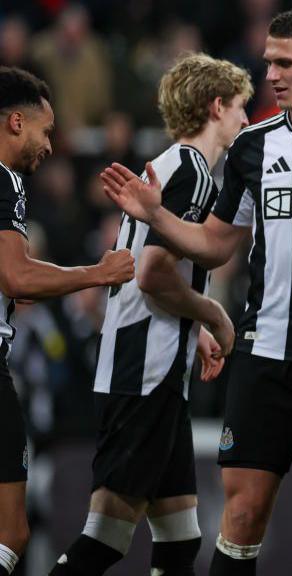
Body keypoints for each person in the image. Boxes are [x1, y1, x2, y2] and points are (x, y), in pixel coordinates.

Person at [100, 9, 292, 575]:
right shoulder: (253, 147)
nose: (270, 71)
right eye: (268, 59)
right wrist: (158, 217)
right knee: (243, 517)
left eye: (284, 61)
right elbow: (217, 244)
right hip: (266, 355)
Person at [51, 53, 252, 576]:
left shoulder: (168, 165)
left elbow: (154, 272)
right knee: (106, 538)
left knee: (181, 542)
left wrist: (193, 326)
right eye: (239, 109)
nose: (246, 121)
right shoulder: (191, 174)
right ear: (215, 106)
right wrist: (213, 314)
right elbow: (154, 274)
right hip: (146, 372)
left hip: (154, 365)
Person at [0, 65, 134, 576]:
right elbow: (17, 276)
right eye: (45, 131)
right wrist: (96, 274)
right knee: (10, 531)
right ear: (16, 122)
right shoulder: (5, 179)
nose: (50, 147)